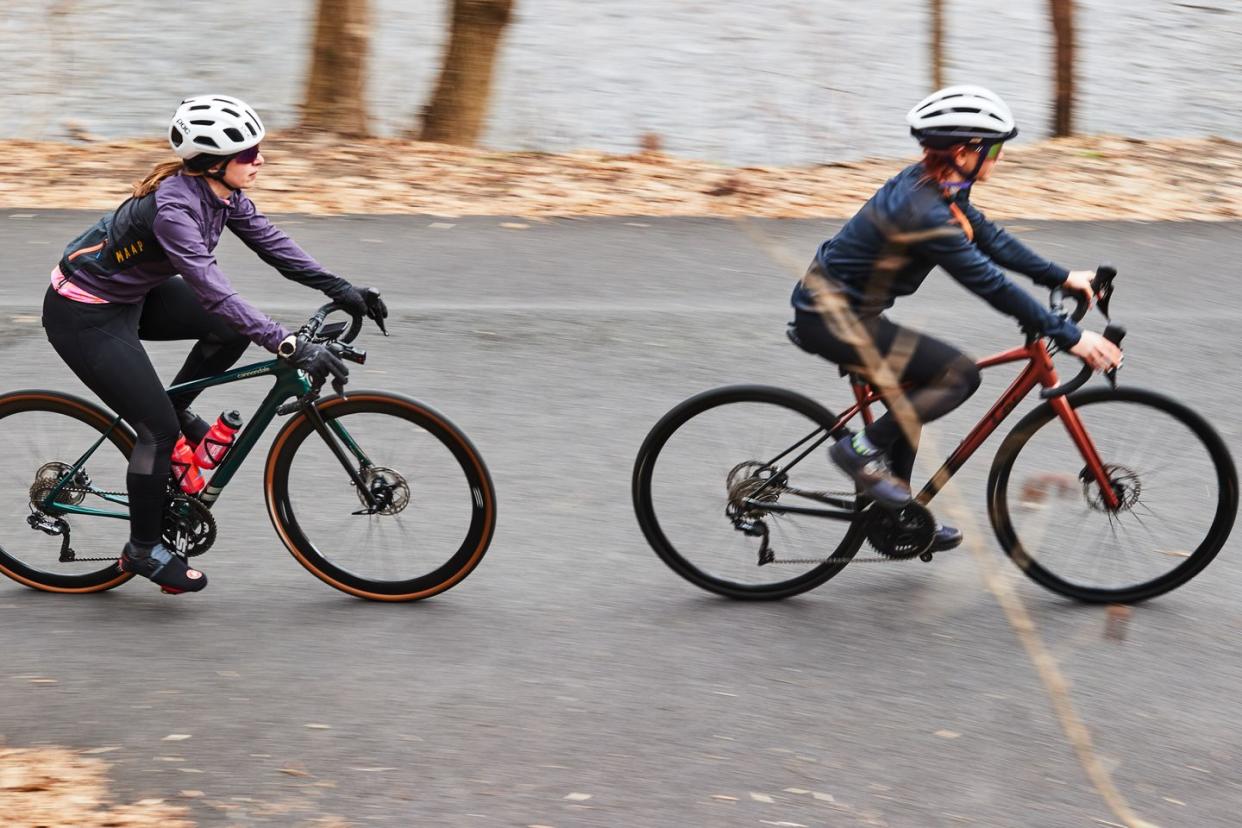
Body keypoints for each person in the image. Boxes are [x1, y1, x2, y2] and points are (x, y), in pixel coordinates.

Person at [42, 94, 388, 594]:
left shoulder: (219, 194)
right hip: (83, 313)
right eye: (249, 153)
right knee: (156, 431)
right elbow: (213, 288)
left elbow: (274, 245)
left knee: (222, 334)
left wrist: (341, 288)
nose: (260, 160)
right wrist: (286, 343)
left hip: (135, 295)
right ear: (215, 163)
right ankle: (143, 549)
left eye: (258, 149)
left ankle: (174, 412)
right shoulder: (174, 211)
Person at [788, 85, 1122, 551]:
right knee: (957, 375)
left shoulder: (937, 187)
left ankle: (897, 516)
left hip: (845, 311)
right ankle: (859, 451)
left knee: (920, 387)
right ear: (965, 151)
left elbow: (989, 238)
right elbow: (991, 284)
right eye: (996, 148)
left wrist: (1063, 276)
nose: (1000, 158)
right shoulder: (923, 212)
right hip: (833, 321)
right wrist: (1069, 335)